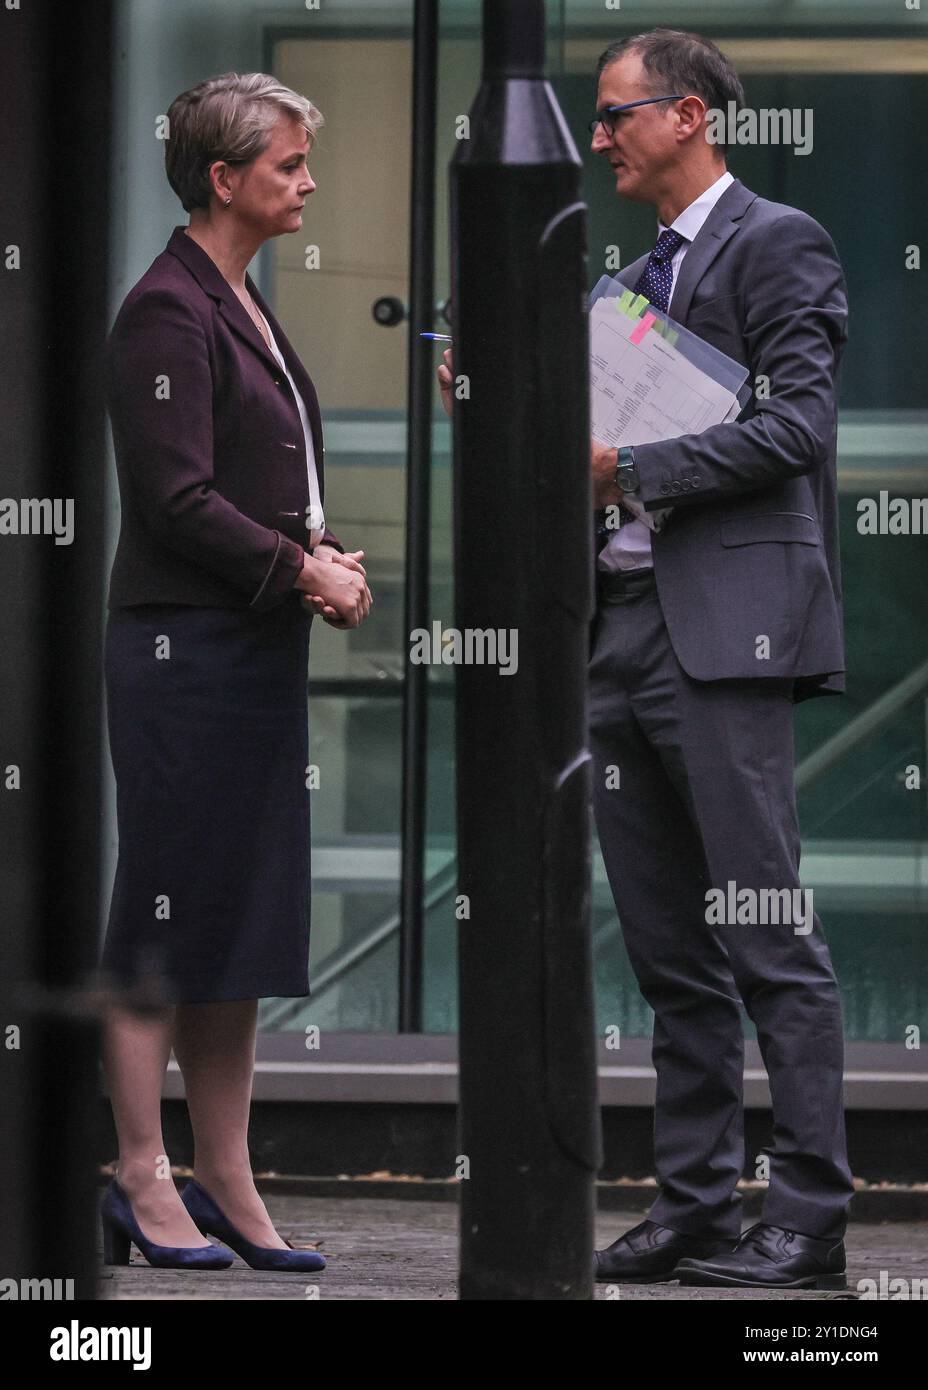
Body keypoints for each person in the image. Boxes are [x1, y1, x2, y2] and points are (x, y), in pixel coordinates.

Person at [584, 30, 853, 1290]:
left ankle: (805, 1219)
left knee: (765, 935)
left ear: (687, 115)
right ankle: (694, 1203)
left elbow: (795, 427)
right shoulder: (630, 282)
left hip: (725, 639)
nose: (599, 138)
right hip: (620, 633)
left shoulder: (779, 241)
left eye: (615, 115)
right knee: (665, 951)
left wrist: (627, 467)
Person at [99, 71, 371, 1272]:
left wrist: (320, 552)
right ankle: (138, 1176)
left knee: (241, 924)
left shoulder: (237, 299)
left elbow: (255, 478)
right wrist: (301, 572)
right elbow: (174, 498)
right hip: (184, 654)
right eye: (289, 165)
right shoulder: (166, 307)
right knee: (167, 915)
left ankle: (226, 1175)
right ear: (224, 178)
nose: (308, 182)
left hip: (246, 652)